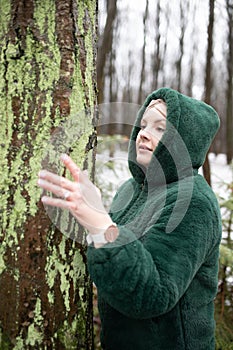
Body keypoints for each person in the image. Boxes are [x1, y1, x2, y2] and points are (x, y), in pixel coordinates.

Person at [38, 87, 222, 350]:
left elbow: (153, 294)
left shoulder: (193, 201)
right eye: (144, 124)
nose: (143, 134)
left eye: (160, 128)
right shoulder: (131, 189)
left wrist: (100, 222)